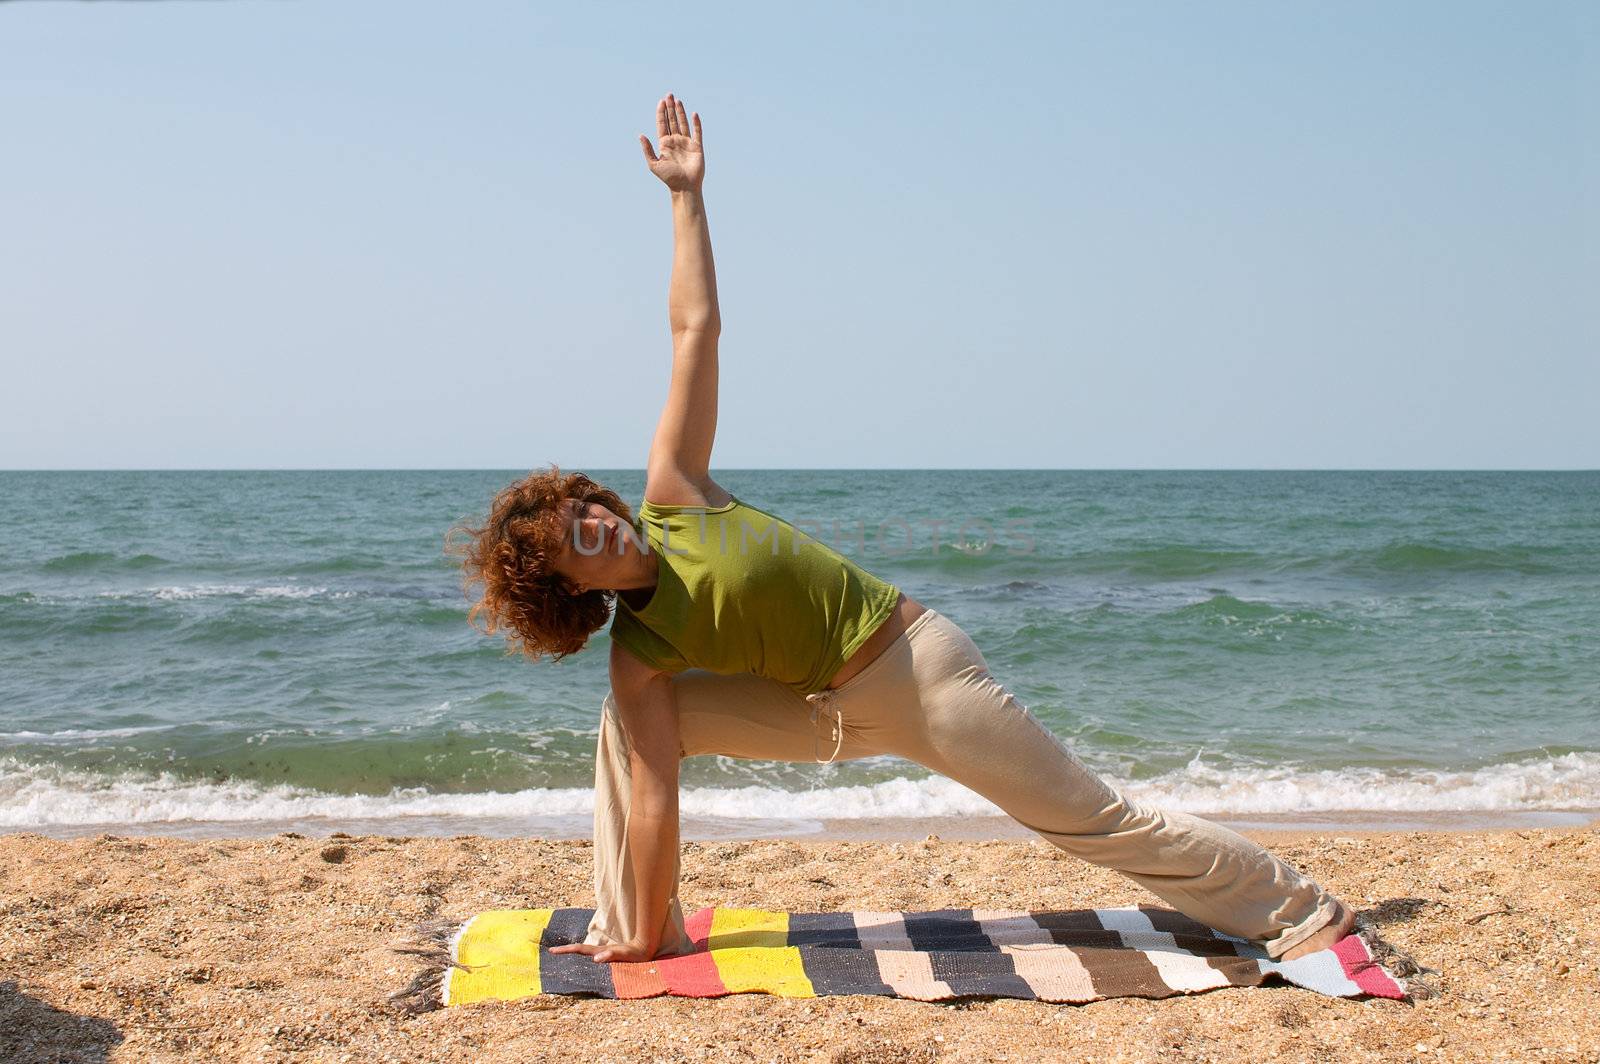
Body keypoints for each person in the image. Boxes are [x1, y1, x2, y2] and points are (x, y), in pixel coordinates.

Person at [452, 93, 1355, 967]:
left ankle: (1299, 908)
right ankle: (641, 924)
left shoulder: (676, 493)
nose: (602, 530)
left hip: (918, 672)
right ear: (570, 592)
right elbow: (653, 797)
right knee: (636, 732)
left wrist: (687, 199)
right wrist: (644, 937)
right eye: (580, 545)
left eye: (589, 512)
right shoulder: (639, 655)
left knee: (1086, 819)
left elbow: (695, 330)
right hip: (822, 716)